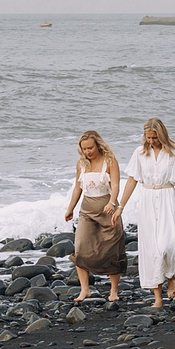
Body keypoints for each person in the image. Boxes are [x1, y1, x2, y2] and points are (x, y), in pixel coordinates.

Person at [119, 117, 175, 309]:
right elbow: (132, 180)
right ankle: (158, 296)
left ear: (162, 135)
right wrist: (120, 206)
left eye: (155, 137)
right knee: (153, 250)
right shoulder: (140, 153)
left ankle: (171, 275)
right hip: (148, 200)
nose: (151, 141)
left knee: (167, 245)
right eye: (148, 137)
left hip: (168, 197)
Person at [61, 130, 124, 305]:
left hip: (108, 210)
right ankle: (85, 289)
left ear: (97, 145)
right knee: (80, 248)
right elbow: (77, 188)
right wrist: (70, 208)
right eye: (84, 149)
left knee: (112, 249)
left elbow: (116, 184)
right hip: (87, 210)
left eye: (90, 148)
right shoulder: (81, 164)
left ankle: (113, 290)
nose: (88, 151)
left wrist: (112, 203)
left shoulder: (110, 161)